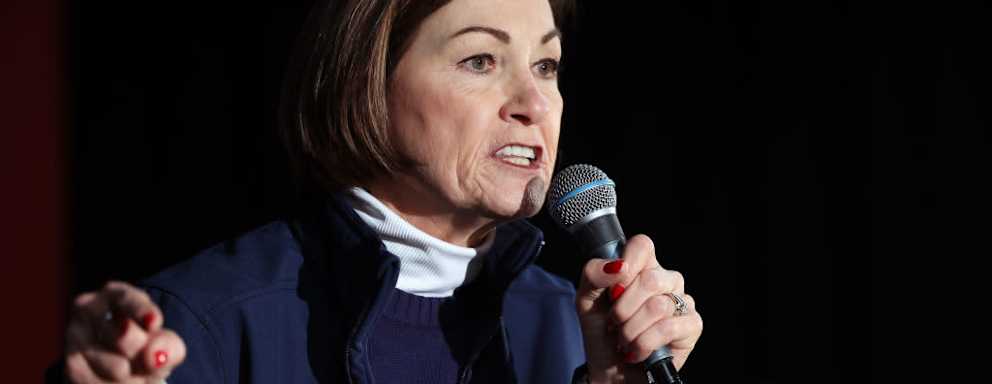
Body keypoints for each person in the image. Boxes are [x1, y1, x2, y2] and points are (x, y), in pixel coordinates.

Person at [56, 0, 703, 383]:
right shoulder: (205, 324)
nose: (535, 102)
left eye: (546, 65)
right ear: (366, 80)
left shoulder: (571, 329)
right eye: (481, 60)